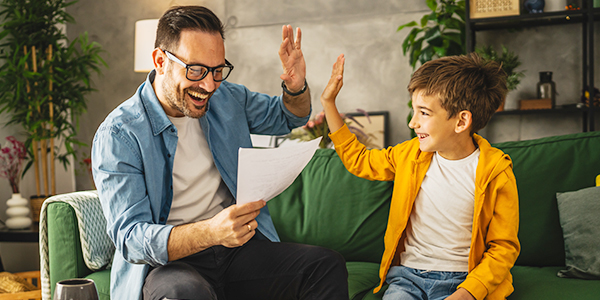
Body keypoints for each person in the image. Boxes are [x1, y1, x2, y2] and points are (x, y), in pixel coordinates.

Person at [92, 6, 348, 300]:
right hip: (171, 264)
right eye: (196, 70)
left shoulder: (227, 98)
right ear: (160, 61)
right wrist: (211, 232)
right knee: (183, 292)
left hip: (236, 253)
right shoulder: (119, 135)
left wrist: (295, 87)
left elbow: (289, 117)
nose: (209, 85)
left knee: (325, 266)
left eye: (217, 70)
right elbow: (130, 240)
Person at [320, 53, 520, 300]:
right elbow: (359, 160)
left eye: (424, 113)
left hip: (464, 281)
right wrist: (328, 102)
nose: (413, 122)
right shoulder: (409, 155)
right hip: (407, 279)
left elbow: (503, 247)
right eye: (414, 111)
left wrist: (469, 292)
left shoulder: (496, 171)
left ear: (461, 121)